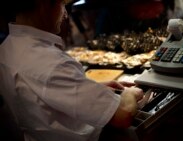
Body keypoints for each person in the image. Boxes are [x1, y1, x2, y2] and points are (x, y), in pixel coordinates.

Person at [0, 0, 144, 141]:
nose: (65, 14)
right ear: (43, 4)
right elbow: (123, 115)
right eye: (62, 4)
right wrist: (129, 94)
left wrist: (89, 90)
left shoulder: (6, 48)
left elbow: (43, 99)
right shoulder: (51, 62)